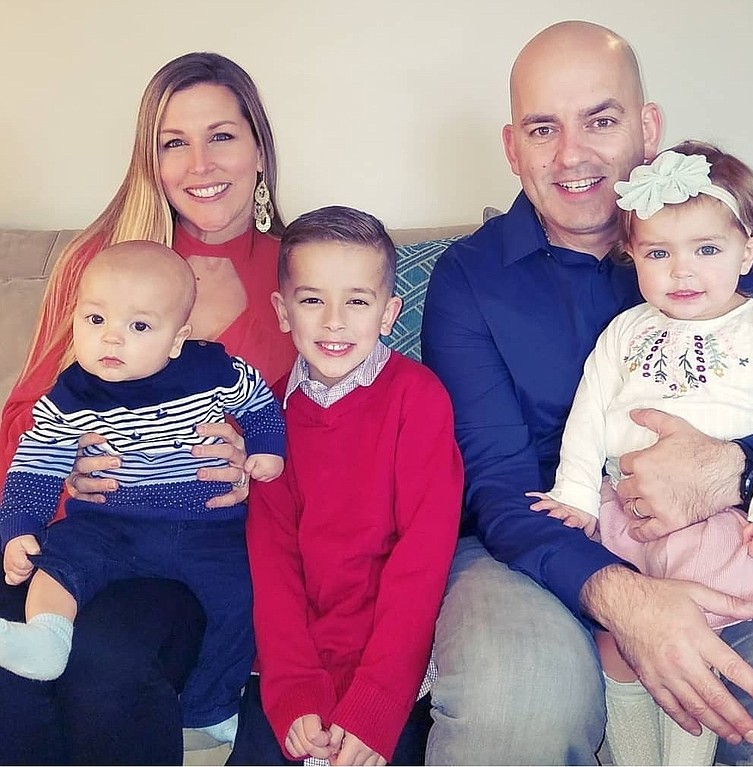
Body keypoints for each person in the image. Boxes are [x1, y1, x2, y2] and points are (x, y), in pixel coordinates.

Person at [420, 20, 753, 766]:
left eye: (601, 119)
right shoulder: (468, 281)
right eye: (542, 128)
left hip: (748, 534)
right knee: (513, 705)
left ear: (648, 127)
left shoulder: (747, 253)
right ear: (511, 146)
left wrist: (736, 467)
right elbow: (496, 486)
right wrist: (625, 597)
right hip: (532, 541)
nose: (572, 155)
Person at [0, 52, 296, 765]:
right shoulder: (104, 266)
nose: (200, 162)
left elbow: (333, 429)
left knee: (111, 657)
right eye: (173, 142)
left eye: (222, 135)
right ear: (152, 161)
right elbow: (22, 421)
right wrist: (66, 465)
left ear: (259, 147)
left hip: (207, 545)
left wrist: (259, 468)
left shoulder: (301, 271)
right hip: (85, 533)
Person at [527, 142, 753, 765]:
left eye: (706, 250)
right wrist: (573, 492)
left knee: (688, 644)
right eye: (658, 253)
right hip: (627, 518)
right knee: (617, 642)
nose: (682, 272)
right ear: (633, 255)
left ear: (749, 251)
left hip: (723, 529)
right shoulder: (626, 331)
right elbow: (589, 415)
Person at [0, 241, 285, 743]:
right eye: (94, 320)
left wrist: (264, 448)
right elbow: (36, 464)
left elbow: (260, 402)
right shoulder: (71, 395)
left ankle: (210, 705)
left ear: (177, 340)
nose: (111, 339)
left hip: (206, 528)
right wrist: (20, 526)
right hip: (110, 526)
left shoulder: (212, 373)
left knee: (242, 598)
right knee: (59, 562)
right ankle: (46, 638)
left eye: (138, 327)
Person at [226, 205, 463, 766]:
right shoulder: (266, 417)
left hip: (392, 672)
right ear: (283, 312)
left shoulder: (419, 400)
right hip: (293, 669)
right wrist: (294, 691)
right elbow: (273, 561)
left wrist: (377, 702)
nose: (335, 321)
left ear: (388, 313)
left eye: (357, 300)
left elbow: (421, 559)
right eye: (313, 300)